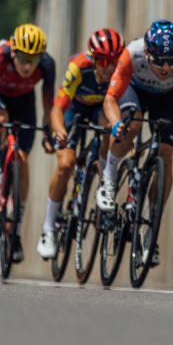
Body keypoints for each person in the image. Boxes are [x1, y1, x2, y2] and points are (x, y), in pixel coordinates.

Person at [97, 20, 173, 267]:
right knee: (132, 126)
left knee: (166, 155)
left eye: (171, 60)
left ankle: (152, 230)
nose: (166, 67)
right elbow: (110, 99)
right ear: (147, 53)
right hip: (133, 91)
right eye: (159, 61)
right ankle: (108, 177)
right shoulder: (132, 54)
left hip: (166, 99)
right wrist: (117, 125)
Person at [0, 24, 56, 263]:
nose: (28, 66)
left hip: (24, 101)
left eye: (34, 60)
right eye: (24, 59)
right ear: (14, 53)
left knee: (22, 160)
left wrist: (48, 133)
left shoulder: (47, 65)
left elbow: (48, 107)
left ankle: (15, 233)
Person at [36, 28, 125, 260]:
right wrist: (60, 131)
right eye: (104, 61)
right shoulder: (78, 67)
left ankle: (104, 177)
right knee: (66, 165)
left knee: (108, 126)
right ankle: (48, 228)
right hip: (75, 109)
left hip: (100, 110)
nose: (109, 67)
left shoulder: (121, 71)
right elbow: (57, 107)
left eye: (114, 61)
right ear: (94, 59)